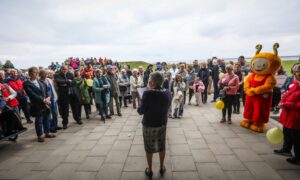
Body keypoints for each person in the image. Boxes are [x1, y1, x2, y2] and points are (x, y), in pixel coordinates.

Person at [137, 72, 171, 178]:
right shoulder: (167, 92)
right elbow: (167, 105)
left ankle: (150, 170)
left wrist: (141, 100)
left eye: (150, 79)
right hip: (162, 123)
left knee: (149, 147)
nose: (149, 81)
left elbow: (140, 111)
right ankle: (161, 167)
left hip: (149, 124)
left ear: (154, 81)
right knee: (161, 145)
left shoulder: (147, 94)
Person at [274, 63, 300, 165]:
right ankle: (286, 149)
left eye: (298, 71)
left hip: (296, 116)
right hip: (288, 115)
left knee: (297, 138)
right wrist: (282, 102)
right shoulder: (294, 84)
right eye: (296, 71)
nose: (297, 73)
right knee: (287, 133)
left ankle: (297, 157)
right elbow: (287, 94)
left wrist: (288, 104)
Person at [24, 67, 55, 142]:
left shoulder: (40, 82)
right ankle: (40, 135)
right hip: (36, 104)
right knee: (39, 120)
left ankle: (47, 132)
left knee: (47, 118)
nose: (37, 74)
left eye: (37, 72)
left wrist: (48, 98)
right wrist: (43, 100)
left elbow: (46, 91)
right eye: (35, 72)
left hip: (45, 103)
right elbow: (32, 94)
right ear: (30, 74)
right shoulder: (27, 83)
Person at [55, 65, 82, 129]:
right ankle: (65, 123)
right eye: (63, 69)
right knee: (65, 109)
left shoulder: (70, 74)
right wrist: (68, 81)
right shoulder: (57, 75)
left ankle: (77, 119)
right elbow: (58, 82)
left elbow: (73, 82)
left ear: (67, 69)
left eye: (65, 69)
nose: (64, 70)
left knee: (75, 107)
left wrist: (64, 83)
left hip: (72, 93)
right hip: (64, 94)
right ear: (61, 69)